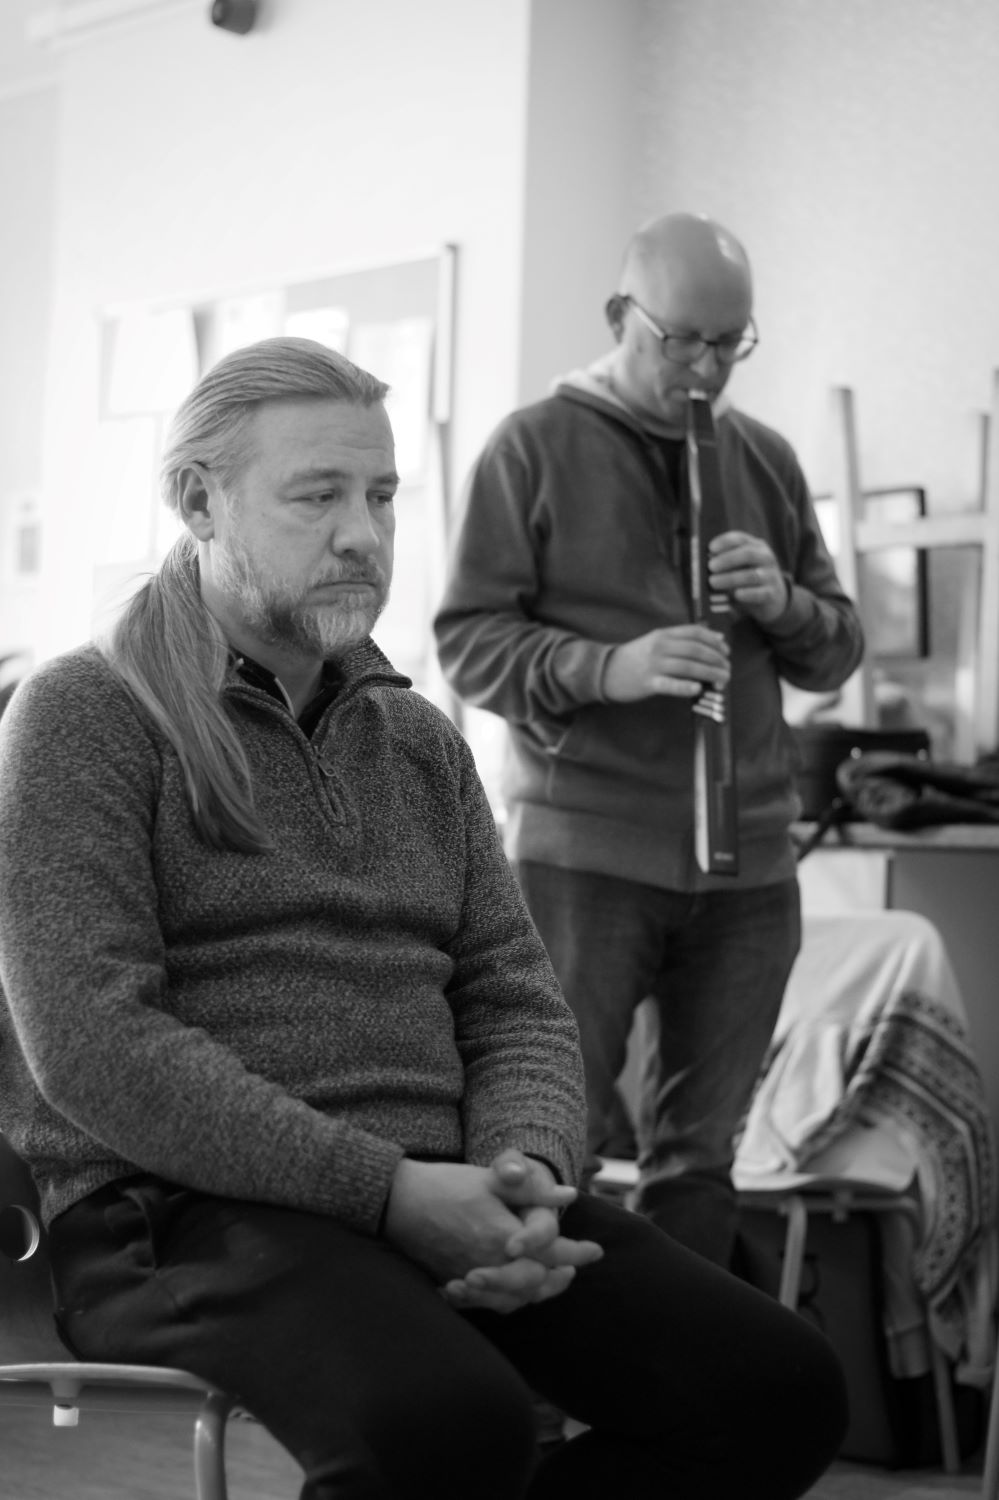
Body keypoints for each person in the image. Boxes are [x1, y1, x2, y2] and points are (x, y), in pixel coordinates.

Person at [0, 337, 847, 1500]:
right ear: (198, 502)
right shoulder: (81, 716)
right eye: (318, 496)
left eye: (383, 495)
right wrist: (391, 1194)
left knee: (779, 1394)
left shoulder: (418, 741)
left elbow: (514, 1001)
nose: (364, 533)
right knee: (451, 1427)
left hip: (443, 1186)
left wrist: (522, 1173)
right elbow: (93, 1047)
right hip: (176, 1205)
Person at [434, 213, 865, 1269]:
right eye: (682, 342)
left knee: (703, 1160)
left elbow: (836, 652)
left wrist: (786, 607)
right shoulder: (531, 446)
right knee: (548, 1143)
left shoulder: (765, 458)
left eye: (730, 344)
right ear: (619, 316)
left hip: (751, 867)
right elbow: (468, 644)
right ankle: (539, 1373)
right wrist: (607, 669)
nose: (707, 369)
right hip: (585, 859)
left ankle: (681, 1371)